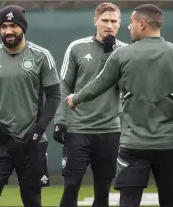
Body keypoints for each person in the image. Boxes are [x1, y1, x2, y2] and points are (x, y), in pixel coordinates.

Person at [66, 4, 173, 207]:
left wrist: (76, 99)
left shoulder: (123, 54)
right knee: (172, 201)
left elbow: (98, 85)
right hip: (170, 144)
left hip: (133, 146)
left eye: (131, 23)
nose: (128, 27)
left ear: (142, 24)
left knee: (128, 202)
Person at [0, 5, 60, 207]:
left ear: (23, 27)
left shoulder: (41, 56)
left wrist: (37, 131)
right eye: (3, 26)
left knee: (32, 200)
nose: (8, 31)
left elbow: (54, 96)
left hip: (32, 142)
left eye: (13, 25)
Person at [53, 2, 127, 207]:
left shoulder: (125, 51)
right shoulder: (77, 47)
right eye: (105, 20)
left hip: (110, 130)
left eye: (113, 21)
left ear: (120, 24)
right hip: (78, 129)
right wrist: (60, 120)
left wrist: (112, 54)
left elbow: (127, 89)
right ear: (95, 21)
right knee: (70, 188)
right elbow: (64, 86)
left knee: (103, 193)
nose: (109, 25)